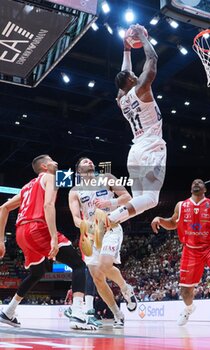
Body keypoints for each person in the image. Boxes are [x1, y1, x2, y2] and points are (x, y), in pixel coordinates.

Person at [0, 155, 96, 330]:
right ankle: (77, 313)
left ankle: (9, 311)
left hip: (21, 233)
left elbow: (3, 208)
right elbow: (48, 205)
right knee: (79, 265)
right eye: (52, 160)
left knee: (37, 272)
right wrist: (53, 237)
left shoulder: (27, 187)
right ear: (44, 166)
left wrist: (1, 240)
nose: (56, 162)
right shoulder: (51, 177)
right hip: (37, 228)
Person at [94, 23, 166, 240]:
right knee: (151, 200)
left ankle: (107, 222)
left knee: (141, 203)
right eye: (133, 76)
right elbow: (152, 60)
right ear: (133, 80)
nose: (135, 75)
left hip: (135, 153)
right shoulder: (142, 89)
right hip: (151, 147)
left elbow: (125, 74)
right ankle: (107, 220)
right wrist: (143, 38)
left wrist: (126, 48)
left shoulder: (121, 100)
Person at [151, 179, 210, 329]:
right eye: (194, 182)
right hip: (190, 250)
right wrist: (160, 220)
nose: (196, 183)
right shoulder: (181, 205)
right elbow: (172, 222)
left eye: (200, 182)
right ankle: (189, 309)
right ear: (191, 188)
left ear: (205, 189)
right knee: (185, 291)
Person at [68, 157, 137, 328]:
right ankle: (117, 314)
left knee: (105, 265)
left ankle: (126, 289)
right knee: (98, 279)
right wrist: (85, 224)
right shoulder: (75, 191)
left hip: (111, 226)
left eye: (91, 161)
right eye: (85, 162)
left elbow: (127, 197)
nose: (89, 163)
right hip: (91, 233)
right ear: (78, 171)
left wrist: (110, 202)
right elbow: (76, 219)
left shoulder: (107, 178)